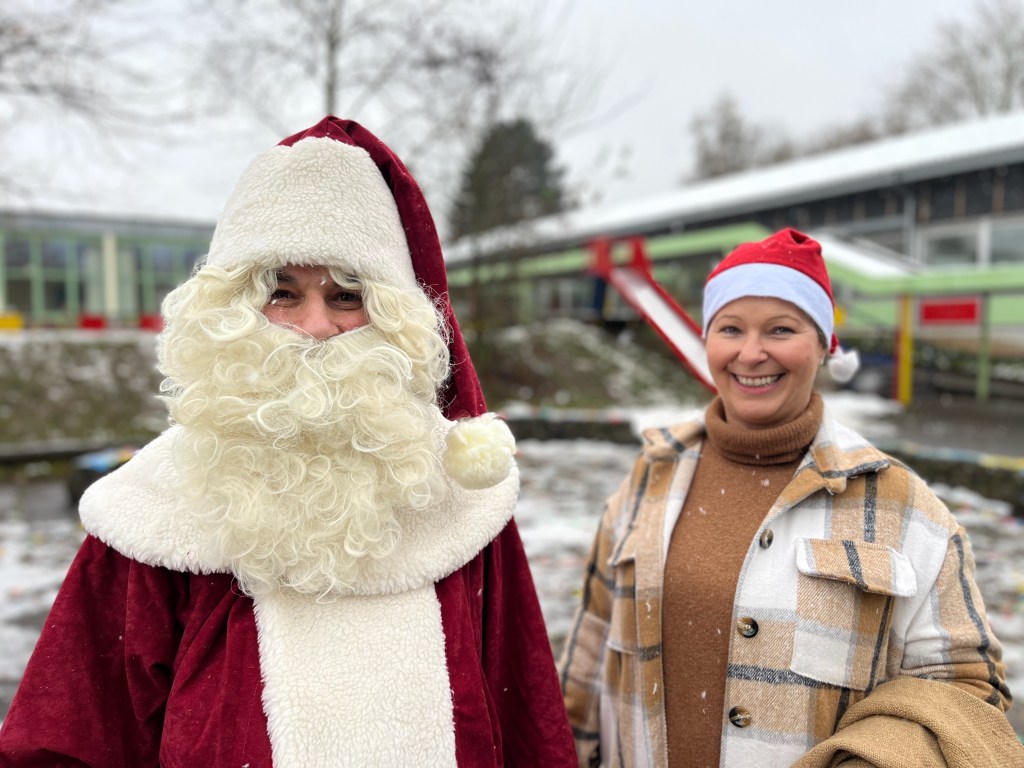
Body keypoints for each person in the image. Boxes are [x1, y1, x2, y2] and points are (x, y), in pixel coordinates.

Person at [0, 117, 576, 767]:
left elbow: (524, 712)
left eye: (346, 295)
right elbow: (71, 734)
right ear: (231, 311)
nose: (316, 325)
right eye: (283, 293)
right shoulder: (157, 504)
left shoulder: (460, 493)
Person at [558, 228, 1024, 767]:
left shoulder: (901, 505)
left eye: (781, 329)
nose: (751, 354)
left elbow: (966, 687)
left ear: (824, 344)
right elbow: (589, 654)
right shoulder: (650, 475)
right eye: (730, 328)